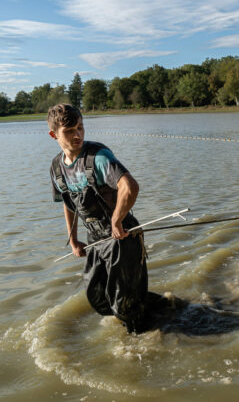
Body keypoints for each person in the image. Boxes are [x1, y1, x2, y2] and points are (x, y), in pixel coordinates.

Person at [48, 103, 162, 333]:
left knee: (123, 301)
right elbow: (68, 205)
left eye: (80, 127)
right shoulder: (56, 168)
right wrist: (73, 239)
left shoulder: (98, 156)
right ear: (54, 135)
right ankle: (154, 310)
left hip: (122, 236)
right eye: (69, 131)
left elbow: (129, 187)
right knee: (97, 295)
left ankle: (141, 339)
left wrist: (117, 221)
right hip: (95, 240)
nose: (77, 134)